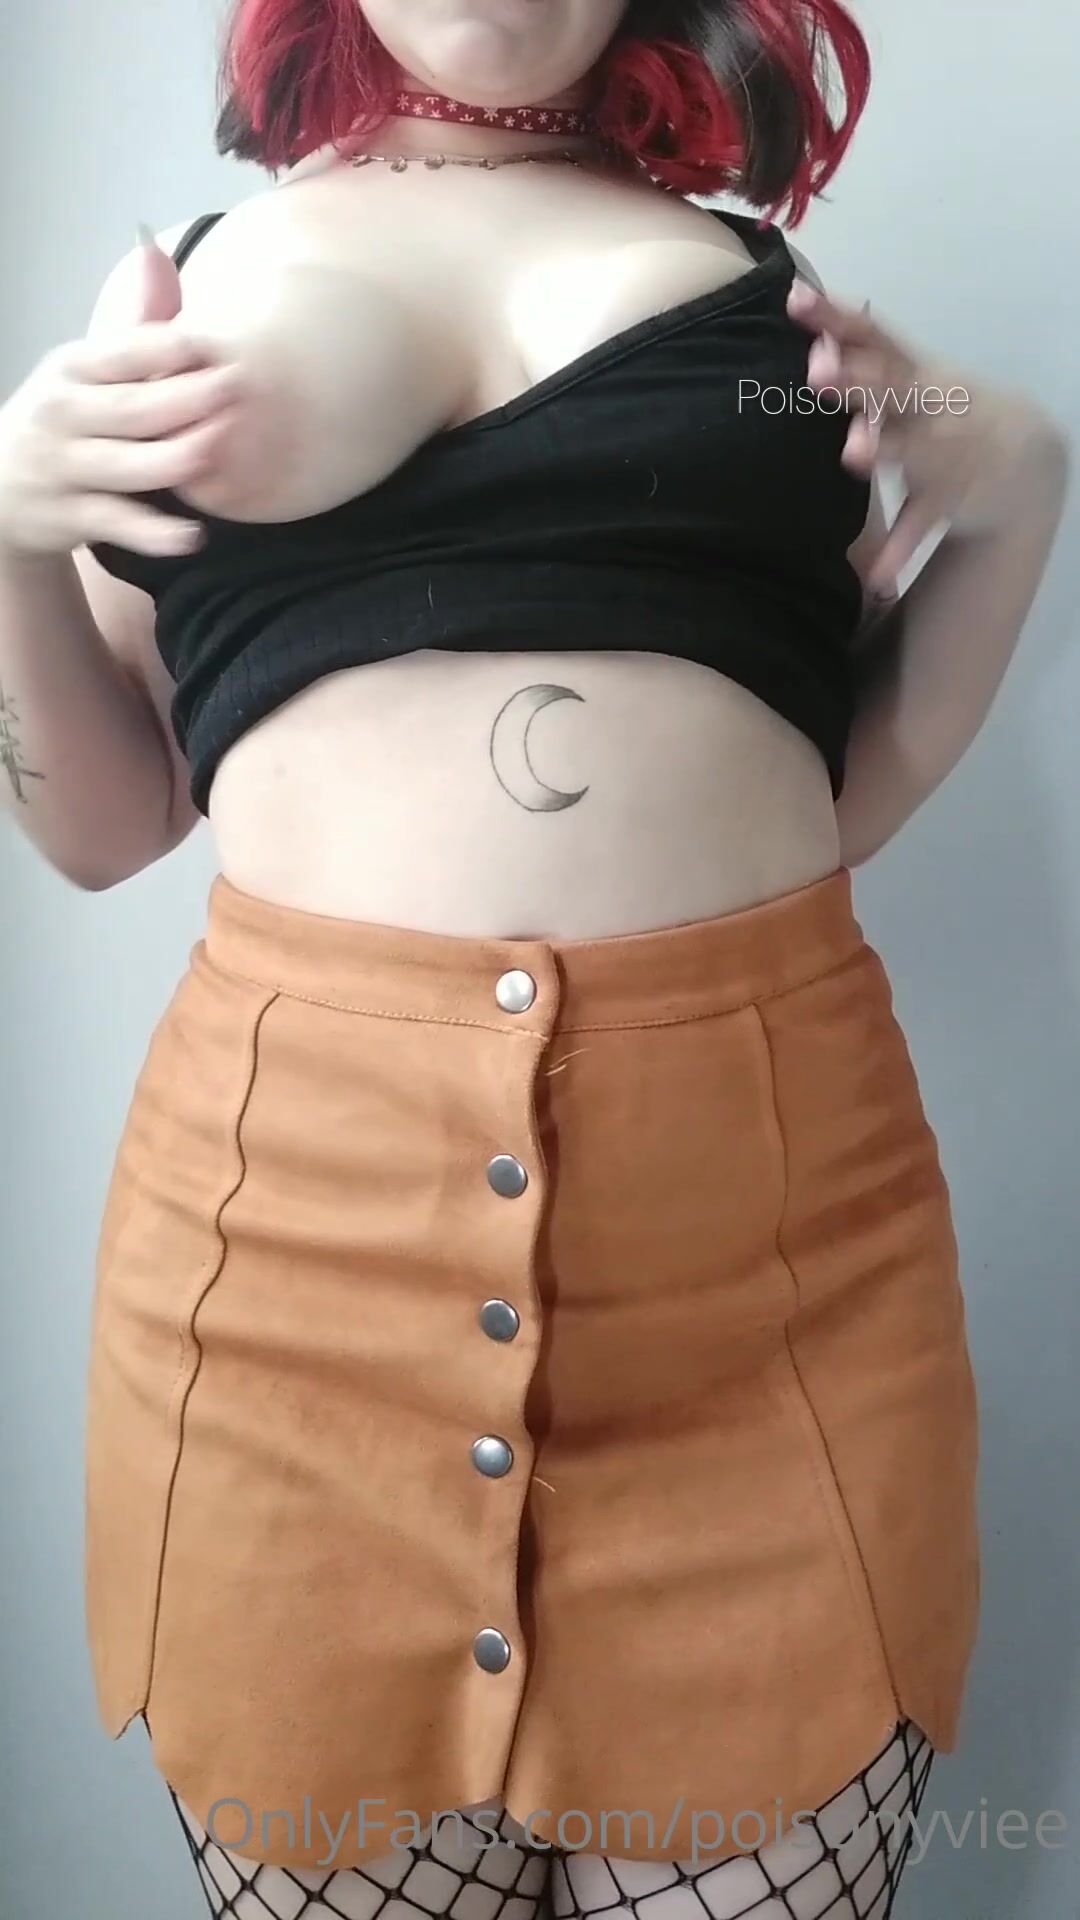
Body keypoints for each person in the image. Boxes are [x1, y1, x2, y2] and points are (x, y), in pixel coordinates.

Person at [0, 1, 1070, 1916]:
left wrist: (1021, 479)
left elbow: (830, 796)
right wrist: (0, 538)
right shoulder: (188, 284)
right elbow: (99, 826)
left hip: (773, 1281)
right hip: (294, 1292)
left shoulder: (779, 321)